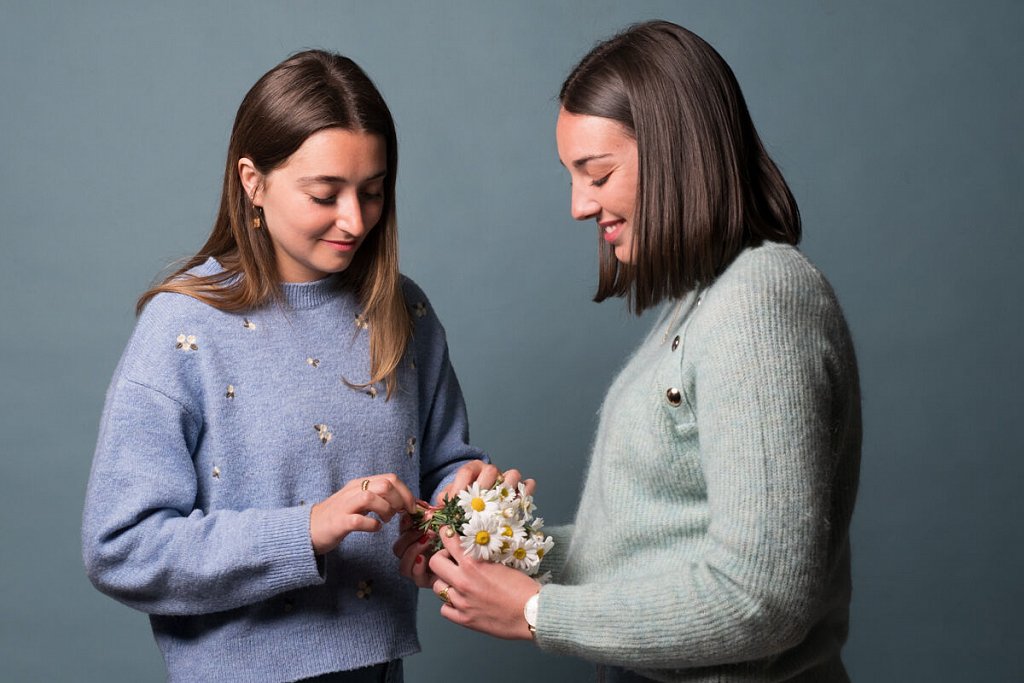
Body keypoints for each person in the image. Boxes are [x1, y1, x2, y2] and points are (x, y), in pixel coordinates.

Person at [421, 20, 862, 683]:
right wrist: (492, 552)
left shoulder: (761, 300)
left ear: (675, 152)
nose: (577, 205)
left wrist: (541, 611)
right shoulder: (703, 303)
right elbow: (654, 551)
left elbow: (764, 598)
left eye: (596, 173)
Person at [81, 50, 497, 683]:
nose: (355, 220)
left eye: (374, 192)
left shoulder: (403, 310)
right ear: (254, 182)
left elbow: (438, 467)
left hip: (380, 667)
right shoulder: (182, 328)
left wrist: (468, 504)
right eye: (325, 194)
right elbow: (122, 548)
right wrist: (305, 531)